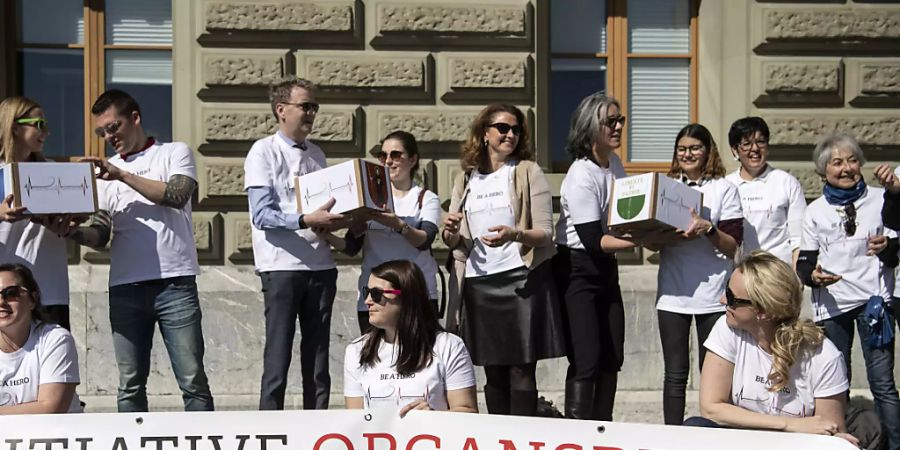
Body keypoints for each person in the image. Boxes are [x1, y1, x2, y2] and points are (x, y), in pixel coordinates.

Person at [66, 89, 214, 412]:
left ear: (135, 118)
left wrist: (121, 174)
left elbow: (176, 195)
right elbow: (101, 233)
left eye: (113, 127)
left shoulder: (174, 153)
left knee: (193, 382)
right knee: (130, 386)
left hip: (175, 285)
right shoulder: (106, 174)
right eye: (101, 132)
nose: (108, 136)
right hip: (125, 288)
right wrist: (70, 232)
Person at [442, 103, 565, 416]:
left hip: (521, 280)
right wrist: (451, 230)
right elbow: (454, 243)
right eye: (503, 128)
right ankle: (497, 438)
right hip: (479, 283)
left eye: (516, 129)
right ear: (485, 133)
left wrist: (514, 235)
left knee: (522, 368)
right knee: (493, 370)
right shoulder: (466, 179)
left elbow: (545, 234)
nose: (511, 134)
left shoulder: (526, 171)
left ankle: (523, 437)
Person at [684, 251, 860, 447]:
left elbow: (828, 430)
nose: (722, 300)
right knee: (696, 426)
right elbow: (711, 408)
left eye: (731, 297)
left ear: (763, 312)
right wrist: (788, 424)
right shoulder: (727, 328)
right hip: (740, 442)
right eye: (726, 290)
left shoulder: (823, 356)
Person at [243, 77, 346, 411]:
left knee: (317, 361)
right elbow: (261, 215)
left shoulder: (317, 154)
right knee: (278, 356)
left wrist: (337, 222)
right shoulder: (263, 151)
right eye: (305, 106)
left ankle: (317, 430)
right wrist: (305, 220)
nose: (311, 113)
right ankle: (270, 430)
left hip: (320, 265)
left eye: (314, 107)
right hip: (281, 266)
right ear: (281, 110)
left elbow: (323, 209)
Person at [797, 132, 899, 450]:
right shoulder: (814, 211)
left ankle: (894, 445)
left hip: (875, 305)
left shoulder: (884, 198)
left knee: (882, 383)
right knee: (834, 382)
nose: (845, 168)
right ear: (823, 170)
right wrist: (812, 276)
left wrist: (887, 247)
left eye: (852, 160)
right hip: (833, 306)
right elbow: (804, 263)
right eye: (836, 162)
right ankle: (842, 443)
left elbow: (894, 253)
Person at [552, 92, 639, 420]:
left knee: (612, 354)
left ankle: (603, 429)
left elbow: (627, 214)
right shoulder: (581, 175)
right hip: (577, 268)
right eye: (610, 122)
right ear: (590, 128)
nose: (618, 127)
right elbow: (592, 240)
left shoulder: (614, 164)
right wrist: (642, 241)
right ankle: (577, 432)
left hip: (605, 269)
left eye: (621, 120)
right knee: (586, 358)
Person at [655, 123, 744, 425]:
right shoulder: (665, 185)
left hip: (712, 294)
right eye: (682, 148)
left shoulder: (724, 189)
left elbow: (734, 245)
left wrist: (709, 229)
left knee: (714, 374)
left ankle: (714, 434)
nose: (688, 154)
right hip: (672, 292)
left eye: (695, 148)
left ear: (708, 152)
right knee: (675, 374)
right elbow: (651, 239)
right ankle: (671, 438)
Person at [344, 260, 477, 416]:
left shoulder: (448, 346)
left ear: (406, 297)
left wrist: (434, 416)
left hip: (430, 439)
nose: (367, 301)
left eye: (376, 294)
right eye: (367, 292)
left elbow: (467, 411)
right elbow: (354, 419)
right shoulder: (356, 351)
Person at [341, 131, 441, 334]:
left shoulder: (424, 198)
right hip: (375, 298)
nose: (388, 161)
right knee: (376, 361)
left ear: (413, 159)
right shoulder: (369, 199)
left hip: (415, 296)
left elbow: (424, 240)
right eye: (383, 155)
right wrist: (324, 234)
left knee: (418, 361)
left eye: (396, 155)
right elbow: (351, 246)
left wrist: (398, 225)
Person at [0, 96, 76, 330]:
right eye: (39, 124)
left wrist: (69, 224)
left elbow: (74, 217)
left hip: (50, 290)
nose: (46, 132)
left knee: (55, 363)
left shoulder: (54, 172)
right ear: (14, 126)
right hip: (6, 294)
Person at [0, 263, 82, 414]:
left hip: (56, 436)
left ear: (32, 300)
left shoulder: (56, 339)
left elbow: (51, 409)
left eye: (11, 293)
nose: (1, 302)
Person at [724, 117, 806, 267]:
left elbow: (798, 238)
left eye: (760, 142)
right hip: (740, 273)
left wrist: (797, 274)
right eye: (746, 144)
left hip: (778, 273)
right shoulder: (726, 186)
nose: (755, 149)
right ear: (734, 150)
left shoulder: (786, 182)